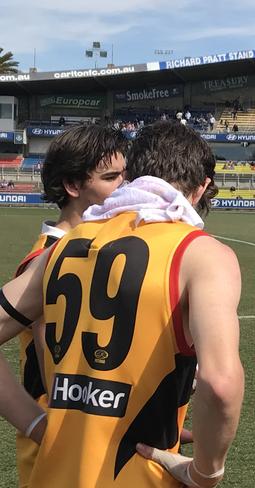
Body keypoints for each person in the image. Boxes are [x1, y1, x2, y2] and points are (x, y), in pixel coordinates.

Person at [0, 121, 245, 487]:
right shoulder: (202, 253)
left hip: (53, 474)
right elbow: (221, 385)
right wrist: (206, 472)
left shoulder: (60, 249)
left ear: (133, 176)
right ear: (202, 188)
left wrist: (37, 424)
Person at [13, 125, 128, 488]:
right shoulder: (47, 259)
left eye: (126, 175)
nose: (125, 188)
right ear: (73, 186)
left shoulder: (94, 248)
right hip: (62, 450)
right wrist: (37, 424)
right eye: (111, 178)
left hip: (97, 437)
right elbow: (50, 350)